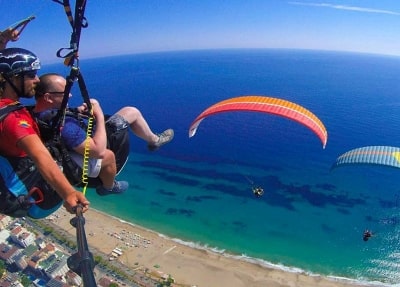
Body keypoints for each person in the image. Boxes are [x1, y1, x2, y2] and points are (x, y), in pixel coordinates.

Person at [33, 73, 174, 195]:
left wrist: (78, 110)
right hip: (85, 159)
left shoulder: (40, 112)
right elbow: (98, 152)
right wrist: (99, 115)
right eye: (64, 93)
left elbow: (61, 120)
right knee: (109, 155)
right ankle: (109, 186)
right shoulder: (66, 127)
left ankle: (154, 140)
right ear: (48, 97)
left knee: (131, 111)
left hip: (73, 146)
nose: (69, 95)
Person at [0, 48, 89, 218]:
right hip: (38, 200)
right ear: (12, 78)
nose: (37, 80)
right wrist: (68, 193)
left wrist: (4, 40)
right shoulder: (14, 120)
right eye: (31, 74)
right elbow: (40, 155)